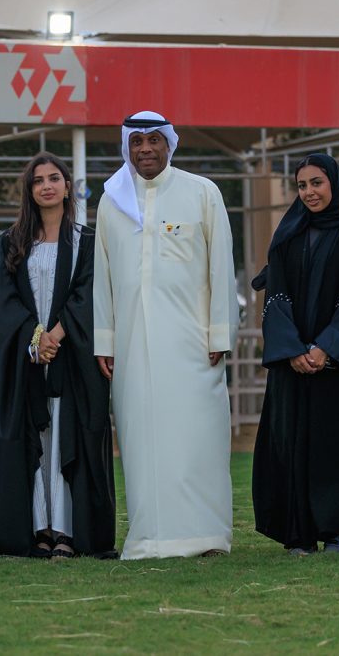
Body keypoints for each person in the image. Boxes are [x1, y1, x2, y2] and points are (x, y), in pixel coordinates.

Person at [93, 111, 238, 559]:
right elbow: (103, 278)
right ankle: (149, 538)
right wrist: (105, 340)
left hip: (193, 344)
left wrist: (219, 333)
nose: (146, 150)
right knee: (141, 441)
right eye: (137, 143)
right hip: (132, 347)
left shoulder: (202, 192)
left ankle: (206, 536)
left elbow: (222, 267)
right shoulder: (111, 201)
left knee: (198, 439)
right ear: (127, 148)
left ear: (169, 144)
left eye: (154, 140)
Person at [0, 153, 116, 559]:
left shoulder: (87, 241)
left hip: (72, 358)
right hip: (28, 359)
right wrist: (35, 337)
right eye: (38, 181)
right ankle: (38, 528)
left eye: (55, 178)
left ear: (68, 186)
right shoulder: (12, 242)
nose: (47, 186)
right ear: (30, 191)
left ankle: (68, 531)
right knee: (35, 440)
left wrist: (56, 333)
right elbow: (4, 301)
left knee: (66, 439)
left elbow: (89, 293)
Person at [252, 154, 339, 555]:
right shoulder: (286, 235)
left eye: (317, 183)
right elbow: (276, 297)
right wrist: (292, 349)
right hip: (293, 365)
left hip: (334, 364)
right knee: (290, 442)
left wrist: (326, 347)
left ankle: (334, 530)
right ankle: (297, 532)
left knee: (334, 442)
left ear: (334, 184)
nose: (309, 192)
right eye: (302, 185)